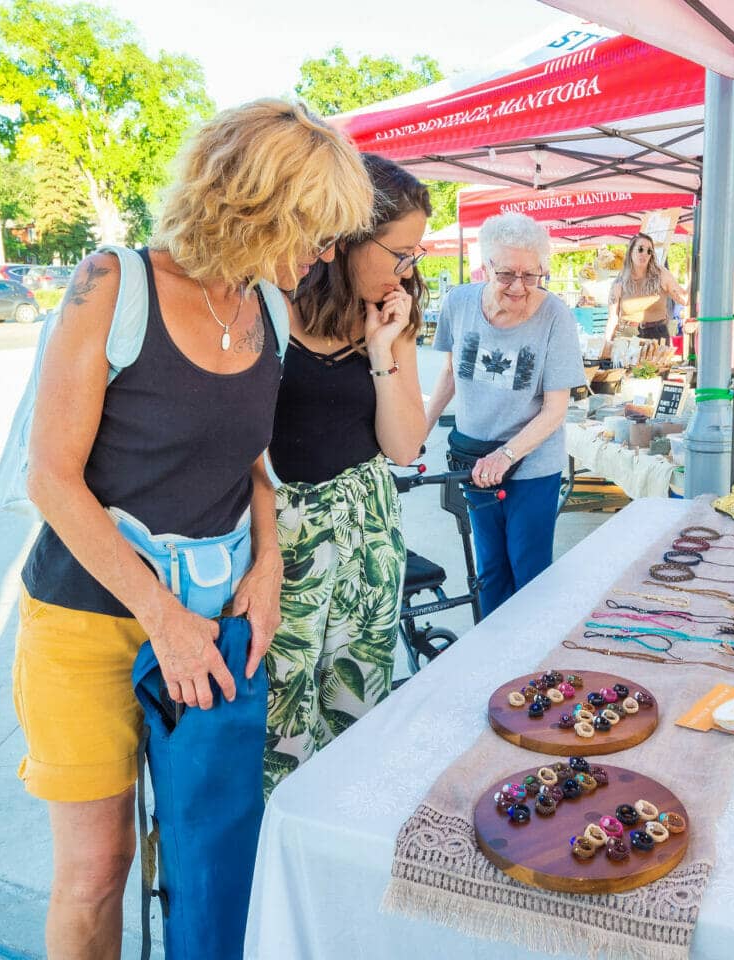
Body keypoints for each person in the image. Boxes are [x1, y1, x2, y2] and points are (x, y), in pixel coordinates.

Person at [13, 99, 373, 957]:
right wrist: (161, 618)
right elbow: (51, 480)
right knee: (97, 872)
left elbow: (252, 463)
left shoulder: (271, 313)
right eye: (315, 233)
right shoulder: (113, 283)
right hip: (87, 617)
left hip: (212, 620)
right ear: (255, 208)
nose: (325, 257)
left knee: (206, 859)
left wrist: (270, 566)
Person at [265, 156, 430, 795]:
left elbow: (404, 443)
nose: (408, 271)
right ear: (348, 240)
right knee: (280, 719)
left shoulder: (393, 314)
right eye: (401, 254)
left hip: (366, 533)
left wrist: (383, 349)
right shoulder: (269, 304)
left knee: (356, 703)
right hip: (280, 536)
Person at [424, 212, 585, 618]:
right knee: (491, 568)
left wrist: (506, 456)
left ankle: (530, 665)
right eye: (507, 274)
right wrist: (418, 430)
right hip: (474, 460)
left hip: (530, 466)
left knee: (529, 571)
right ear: (486, 266)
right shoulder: (458, 302)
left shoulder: (555, 316)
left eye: (531, 276)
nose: (519, 287)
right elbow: (449, 376)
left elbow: (555, 411)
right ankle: (493, 660)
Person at [606, 232, 688, 343]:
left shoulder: (660, 274)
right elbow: (612, 318)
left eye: (649, 251)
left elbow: (684, 299)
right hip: (626, 335)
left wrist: (699, 275)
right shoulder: (620, 281)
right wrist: (606, 343)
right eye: (640, 249)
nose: (644, 253)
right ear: (630, 251)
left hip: (657, 335)